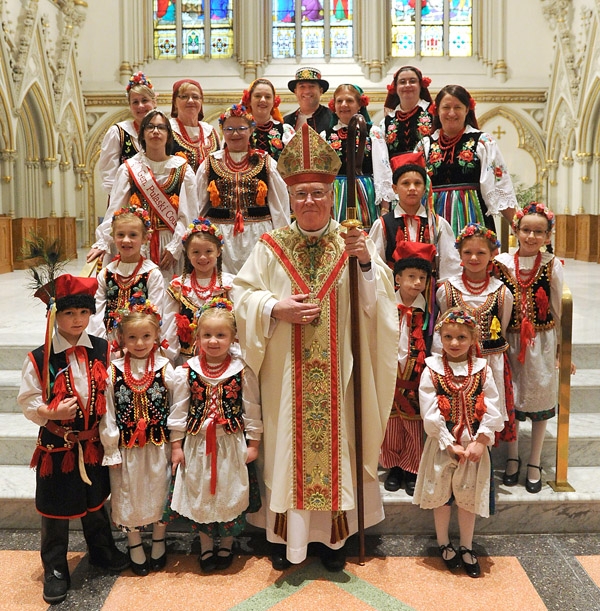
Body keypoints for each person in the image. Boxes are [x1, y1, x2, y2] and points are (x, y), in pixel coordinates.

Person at [232, 124, 398, 572]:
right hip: (286, 377)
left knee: (336, 451)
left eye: (317, 194)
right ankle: (288, 541)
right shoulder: (270, 246)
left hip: (337, 379)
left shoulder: (352, 243)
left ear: (330, 197)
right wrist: (272, 307)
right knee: (287, 452)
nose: (309, 201)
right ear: (290, 198)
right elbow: (241, 295)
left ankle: (332, 540)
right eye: (301, 193)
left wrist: (364, 262)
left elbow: (377, 305)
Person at [17, 274, 129, 604]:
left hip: (92, 443)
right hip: (58, 446)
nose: (77, 320)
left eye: (83, 312)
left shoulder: (103, 349)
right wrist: (49, 414)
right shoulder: (39, 357)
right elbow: (27, 400)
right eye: (68, 314)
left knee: (95, 502)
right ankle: (54, 568)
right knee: (55, 509)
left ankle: (102, 549)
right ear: (53, 315)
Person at [168, 298, 262, 573]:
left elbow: (252, 408)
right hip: (198, 445)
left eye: (221, 335)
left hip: (230, 444)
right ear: (197, 337)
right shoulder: (188, 371)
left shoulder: (242, 371)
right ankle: (206, 545)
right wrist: (177, 445)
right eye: (207, 335)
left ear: (233, 337)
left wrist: (253, 443)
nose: (213, 341)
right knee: (201, 492)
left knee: (229, 491)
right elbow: (179, 410)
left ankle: (227, 544)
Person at [413, 307, 504, 578]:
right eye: (449, 336)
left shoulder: (482, 369)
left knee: (468, 497)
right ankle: (444, 543)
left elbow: (492, 406)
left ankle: (466, 545)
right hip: (442, 445)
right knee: (442, 497)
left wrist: (480, 441)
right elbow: (428, 410)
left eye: (462, 337)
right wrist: (448, 442)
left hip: (474, 444)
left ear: (473, 338)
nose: (454, 343)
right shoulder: (431, 370)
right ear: (440, 336)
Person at [100, 296, 175, 576]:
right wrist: (111, 448)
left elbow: (178, 407)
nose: (140, 343)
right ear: (121, 337)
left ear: (156, 335)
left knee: (160, 488)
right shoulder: (112, 371)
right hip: (126, 448)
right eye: (132, 337)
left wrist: (177, 442)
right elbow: (107, 411)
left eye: (146, 336)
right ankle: (133, 542)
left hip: (159, 445)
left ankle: (159, 538)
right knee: (127, 492)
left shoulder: (166, 368)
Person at [494, 203, 564, 493]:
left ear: (548, 235)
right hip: (508, 343)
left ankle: (534, 461)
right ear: (515, 231)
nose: (532, 237)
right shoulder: (501, 263)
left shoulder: (551, 264)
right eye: (526, 230)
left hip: (541, 343)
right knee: (511, 400)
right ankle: (513, 457)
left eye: (539, 232)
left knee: (539, 400)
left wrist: (564, 349)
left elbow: (560, 308)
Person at [87, 110, 197, 282]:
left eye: (161, 127)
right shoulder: (129, 168)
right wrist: (102, 242)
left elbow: (189, 215)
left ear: (168, 135)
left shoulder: (183, 169)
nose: (155, 131)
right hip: (137, 244)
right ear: (142, 134)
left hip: (171, 243)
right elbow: (116, 210)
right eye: (150, 127)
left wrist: (175, 248)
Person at [435, 223, 515, 444]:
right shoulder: (447, 290)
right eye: (468, 252)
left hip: (491, 363)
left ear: (492, 255)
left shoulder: (502, 292)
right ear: (459, 254)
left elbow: (504, 326)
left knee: (485, 413)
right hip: (456, 362)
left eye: (481, 252)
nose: (473, 258)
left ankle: (483, 465)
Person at [197, 104, 289, 274]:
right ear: (222, 131)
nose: (235, 133)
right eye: (229, 129)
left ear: (251, 130)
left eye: (241, 128)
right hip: (220, 236)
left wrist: (283, 240)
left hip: (258, 233)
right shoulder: (210, 163)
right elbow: (198, 206)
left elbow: (279, 206)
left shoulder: (266, 162)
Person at [415, 84, 517, 236]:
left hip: (473, 219)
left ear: (467, 109)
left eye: (458, 107)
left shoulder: (483, 142)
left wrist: (519, 228)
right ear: (437, 110)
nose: (451, 113)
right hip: (434, 221)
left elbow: (500, 186)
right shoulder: (424, 145)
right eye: (446, 107)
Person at [380, 256, 433, 496]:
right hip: (389, 374)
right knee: (390, 423)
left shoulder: (429, 311)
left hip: (415, 377)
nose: (417, 283)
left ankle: (412, 468)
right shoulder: (385, 306)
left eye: (422, 278)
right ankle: (393, 467)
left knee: (413, 424)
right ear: (397, 278)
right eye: (411, 277)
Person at [369, 152, 460, 282]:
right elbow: (376, 267)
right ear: (395, 188)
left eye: (417, 183)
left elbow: (450, 269)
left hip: (430, 295)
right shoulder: (382, 224)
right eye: (406, 183)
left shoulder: (439, 224)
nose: (412, 188)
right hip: (394, 296)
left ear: (425, 189)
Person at [163, 217, 234, 364]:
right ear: (188, 255)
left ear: (218, 252)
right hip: (186, 361)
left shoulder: (230, 285)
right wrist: (169, 359)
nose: (202, 257)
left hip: (223, 358)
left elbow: (238, 325)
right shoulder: (177, 287)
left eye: (208, 251)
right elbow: (169, 327)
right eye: (195, 252)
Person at [322, 84, 394, 228]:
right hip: (335, 195)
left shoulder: (373, 132)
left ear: (360, 105)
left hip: (365, 192)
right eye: (339, 101)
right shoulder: (325, 136)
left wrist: (385, 208)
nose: (344, 105)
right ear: (333, 106)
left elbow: (383, 171)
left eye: (349, 101)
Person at [89, 205, 165, 342]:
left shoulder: (152, 274)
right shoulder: (106, 273)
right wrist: (102, 344)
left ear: (145, 238)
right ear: (113, 236)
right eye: (120, 235)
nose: (126, 240)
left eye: (133, 235)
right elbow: (97, 312)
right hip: (109, 342)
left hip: (140, 343)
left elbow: (156, 313)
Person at [98, 71, 157, 197]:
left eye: (144, 100)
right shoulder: (118, 132)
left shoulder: (166, 130)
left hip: (160, 202)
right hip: (127, 201)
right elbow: (109, 175)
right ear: (130, 106)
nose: (140, 106)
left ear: (154, 102)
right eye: (135, 102)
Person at [382, 66, 433, 165]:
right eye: (402, 82)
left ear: (420, 85)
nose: (407, 85)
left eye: (412, 81)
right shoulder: (387, 120)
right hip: (397, 176)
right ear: (395, 87)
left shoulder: (433, 114)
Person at [170, 78, 220, 172]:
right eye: (184, 96)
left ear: (201, 101)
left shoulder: (210, 131)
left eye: (195, 97)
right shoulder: (168, 129)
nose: (190, 101)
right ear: (175, 102)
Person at [241, 78, 294, 161]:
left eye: (268, 97)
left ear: (274, 102)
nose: (263, 100)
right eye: (257, 96)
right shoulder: (238, 128)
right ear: (249, 100)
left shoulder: (285, 130)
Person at [283, 67, 333, 133]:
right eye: (302, 86)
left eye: (312, 86)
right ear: (295, 91)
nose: (307, 91)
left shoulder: (333, 118)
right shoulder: (286, 121)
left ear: (320, 91)